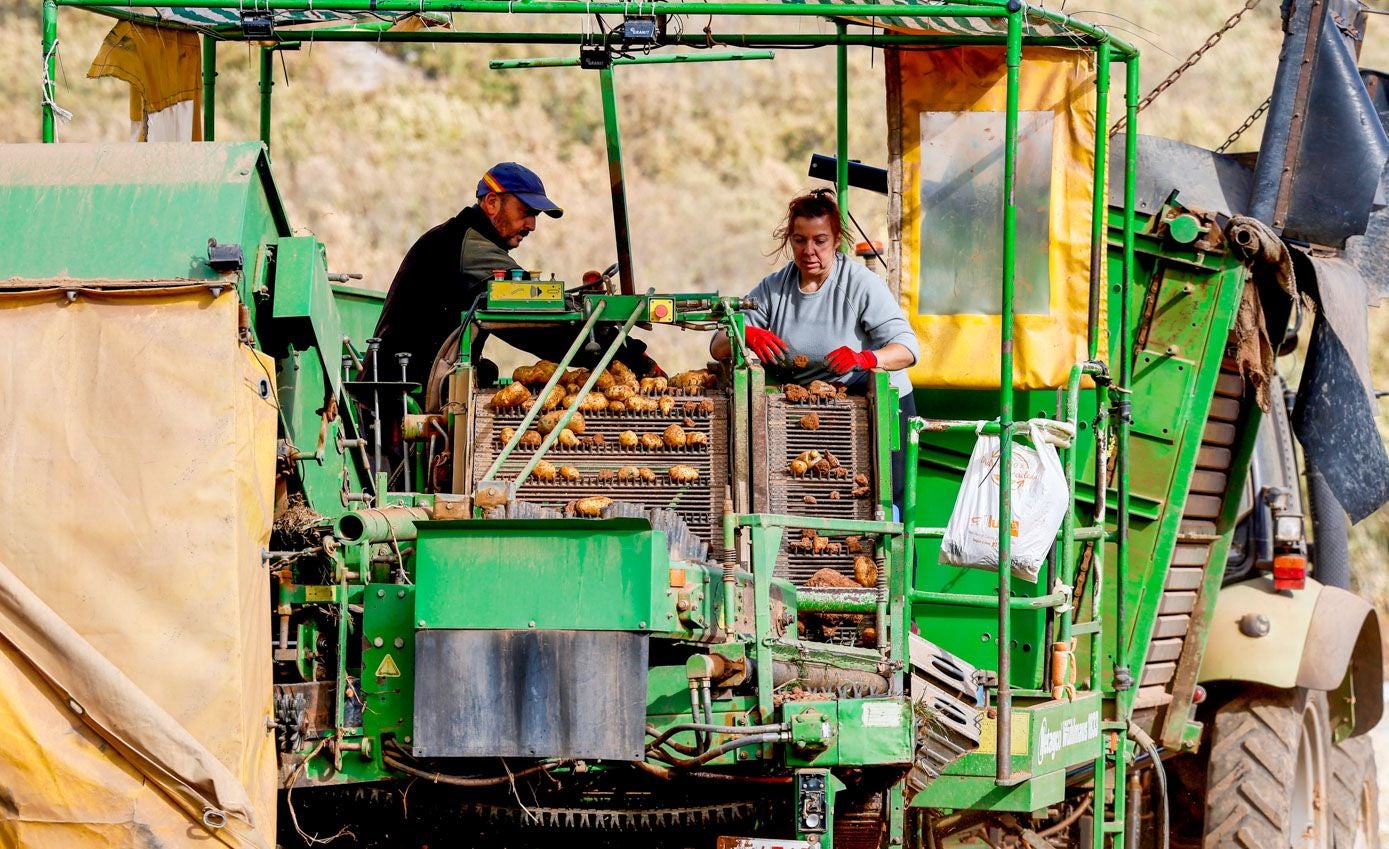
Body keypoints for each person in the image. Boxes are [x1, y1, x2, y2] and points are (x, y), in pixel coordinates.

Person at [712, 188, 920, 508]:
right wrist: (747, 332)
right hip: (813, 411)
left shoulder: (859, 284)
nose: (809, 250)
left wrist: (864, 358)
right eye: (799, 240)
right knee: (817, 499)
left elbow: (907, 349)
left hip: (876, 407)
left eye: (820, 240)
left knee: (882, 502)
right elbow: (717, 345)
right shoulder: (774, 288)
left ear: (836, 240)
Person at [372, 161, 652, 390]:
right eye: (525, 212)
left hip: (410, 382)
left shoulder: (461, 238)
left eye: (535, 216)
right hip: (404, 395)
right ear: (492, 202)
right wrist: (633, 358)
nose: (531, 225)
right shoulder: (469, 247)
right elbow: (532, 321)